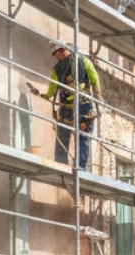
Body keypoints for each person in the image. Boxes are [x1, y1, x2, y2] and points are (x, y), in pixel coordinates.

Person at [45, 41, 100, 169]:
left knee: (78, 136)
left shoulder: (80, 62)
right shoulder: (81, 61)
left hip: (78, 105)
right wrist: (47, 95)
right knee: (70, 135)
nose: (58, 56)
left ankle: (73, 166)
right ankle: (67, 166)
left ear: (64, 50)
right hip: (77, 105)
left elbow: (94, 78)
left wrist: (98, 94)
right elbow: (53, 88)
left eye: (59, 52)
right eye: (56, 54)